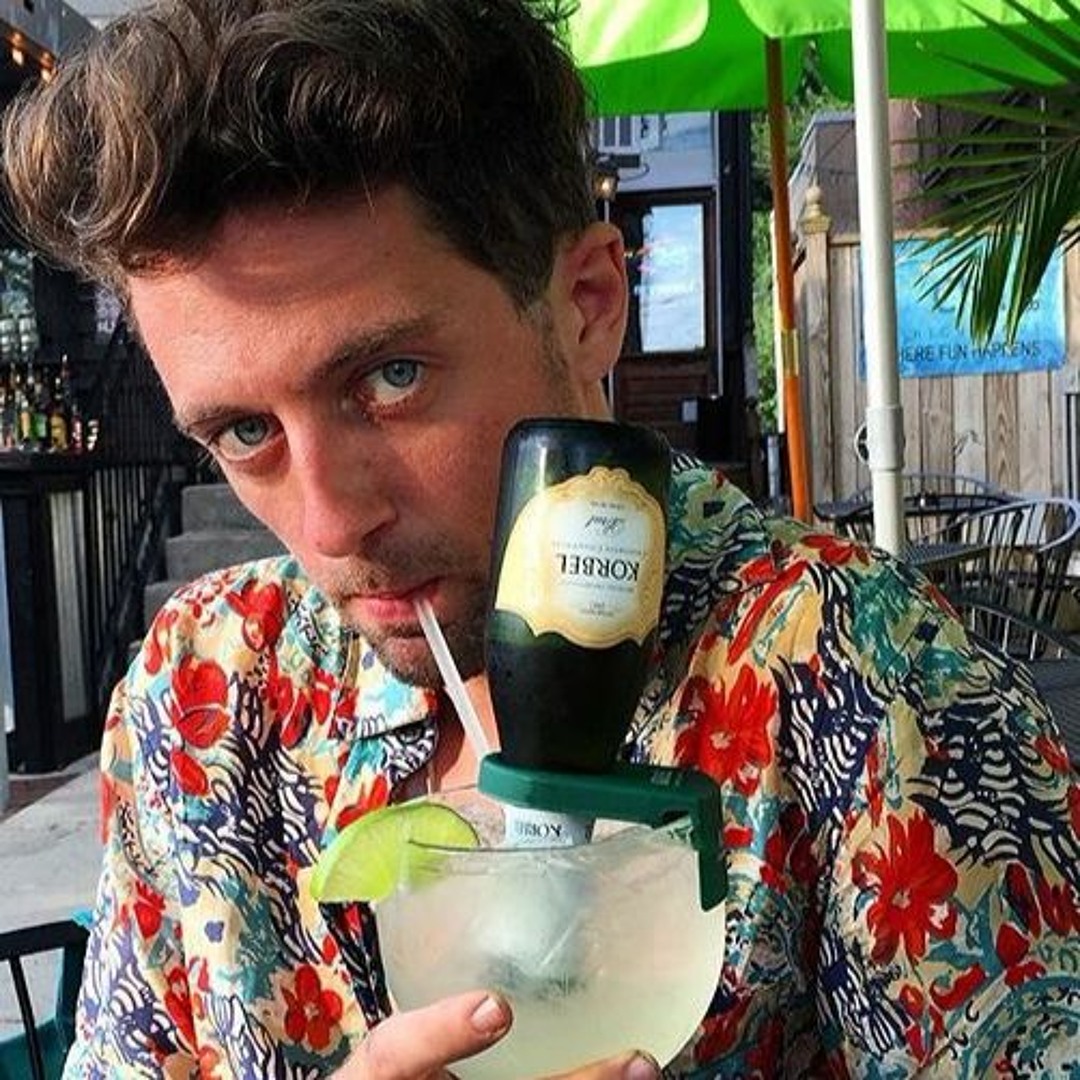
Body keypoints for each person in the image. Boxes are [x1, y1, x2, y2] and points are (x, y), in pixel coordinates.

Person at [3, 0, 1078, 1076]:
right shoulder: (199, 694)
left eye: (391, 378)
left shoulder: (863, 669)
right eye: (246, 433)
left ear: (589, 304)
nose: (330, 524)